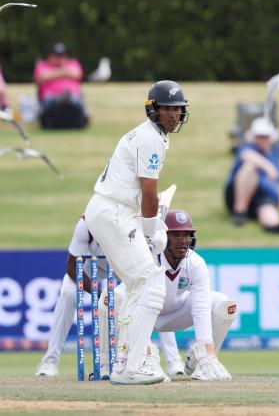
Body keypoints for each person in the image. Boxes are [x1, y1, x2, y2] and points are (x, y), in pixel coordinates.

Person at [84, 80, 189, 385]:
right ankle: (130, 366)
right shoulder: (150, 138)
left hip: (110, 210)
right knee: (150, 281)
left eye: (177, 109)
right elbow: (149, 193)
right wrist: (150, 231)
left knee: (136, 287)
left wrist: (148, 229)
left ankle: (128, 358)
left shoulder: (152, 136)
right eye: (166, 109)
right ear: (153, 110)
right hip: (115, 212)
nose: (172, 115)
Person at [35, 216, 185, 378]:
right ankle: (50, 360)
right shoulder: (86, 225)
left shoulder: (131, 221)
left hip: (123, 268)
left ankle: (173, 360)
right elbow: (72, 267)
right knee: (67, 293)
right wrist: (100, 295)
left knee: (152, 292)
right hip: (90, 267)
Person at [99, 209, 237, 381]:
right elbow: (130, 296)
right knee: (109, 298)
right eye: (176, 235)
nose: (183, 241)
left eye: (186, 235)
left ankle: (200, 360)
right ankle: (116, 362)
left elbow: (201, 307)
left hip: (177, 313)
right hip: (142, 316)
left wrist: (206, 348)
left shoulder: (196, 263)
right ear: (163, 237)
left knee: (224, 305)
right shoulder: (147, 257)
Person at [224, 117, 279, 233]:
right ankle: (240, 211)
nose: (262, 139)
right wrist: (267, 167)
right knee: (250, 166)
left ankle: (273, 226)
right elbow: (247, 155)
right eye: (259, 136)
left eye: (265, 136)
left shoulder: (274, 152)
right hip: (237, 194)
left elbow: (276, 180)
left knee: (267, 208)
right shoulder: (248, 148)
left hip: (263, 196)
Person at [33, 42, 88, 128]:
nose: (59, 58)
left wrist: (53, 74)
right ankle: (62, 100)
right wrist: (64, 72)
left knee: (73, 100)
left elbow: (77, 74)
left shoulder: (73, 63)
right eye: (56, 55)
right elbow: (41, 78)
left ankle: (65, 101)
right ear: (50, 55)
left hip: (72, 97)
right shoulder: (42, 65)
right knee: (51, 100)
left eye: (62, 55)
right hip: (50, 99)